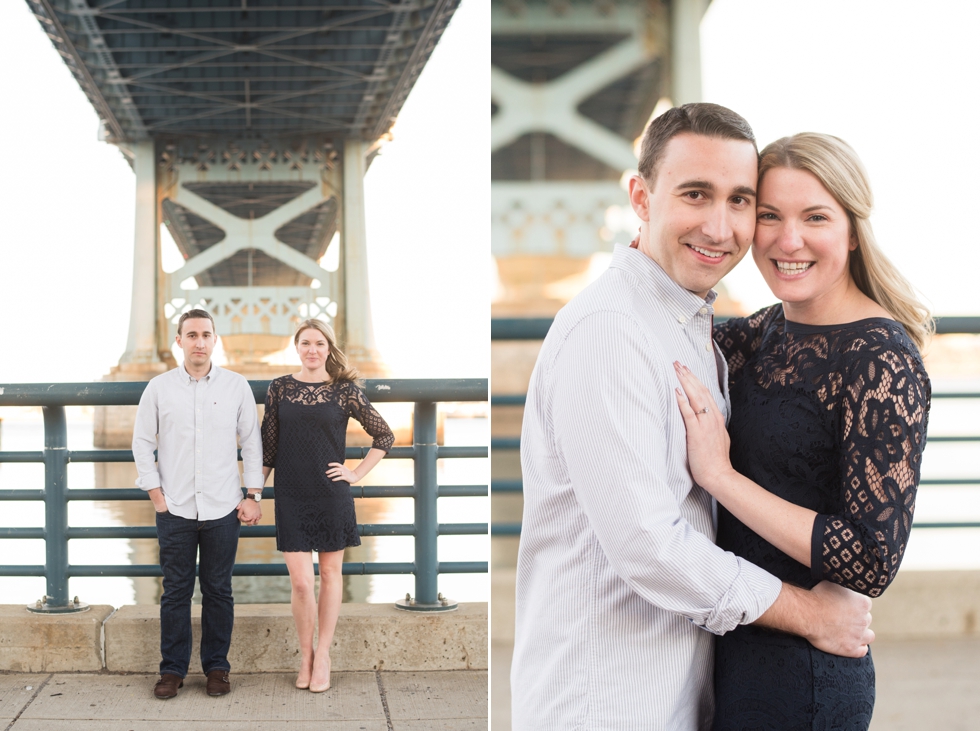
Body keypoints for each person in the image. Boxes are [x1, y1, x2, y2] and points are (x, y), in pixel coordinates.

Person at [511, 104, 875, 731]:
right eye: (695, 194)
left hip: (673, 694)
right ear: (641, 196)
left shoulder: (686, 322)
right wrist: (810, 614)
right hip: (603, 701)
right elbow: (649, 546)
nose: (719, 226)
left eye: (740, 201)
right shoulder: (610, 332)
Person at [673, 132, 932, 730]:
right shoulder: (764, 333)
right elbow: (662, 323)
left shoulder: (882, 359)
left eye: (815, 216)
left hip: (806, 678)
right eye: (769, 215)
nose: (788, 241)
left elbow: (871, 558)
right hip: (735, 652)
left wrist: (720, 477)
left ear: (852, 227)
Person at [132, 308, 264, 700]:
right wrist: (156, 495)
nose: (199, 342)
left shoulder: (237, 386)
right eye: (191, 335)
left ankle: (217, 668)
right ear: (180, 341)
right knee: (175, 592)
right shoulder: (158, 388)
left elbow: (252, 443)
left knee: (218, 590)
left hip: (224, 507)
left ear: (215, 339)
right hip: (174, 508)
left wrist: (253, 494)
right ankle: (171, 670)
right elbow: (142, 442)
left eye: (206, 334)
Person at [260, 319, 394, 692]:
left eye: (319, 343)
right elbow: (268, 449)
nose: (312, 349)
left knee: (331, 576)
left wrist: (356, 473)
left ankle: (324, 655)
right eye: (306, 343)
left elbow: (384, 435)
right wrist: (254, 493)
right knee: (302, 583)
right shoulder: (280, 389)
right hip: (290, 493)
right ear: (297, 347)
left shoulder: (344, 391)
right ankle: (304, 655)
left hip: (330, 493)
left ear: (329, 348)